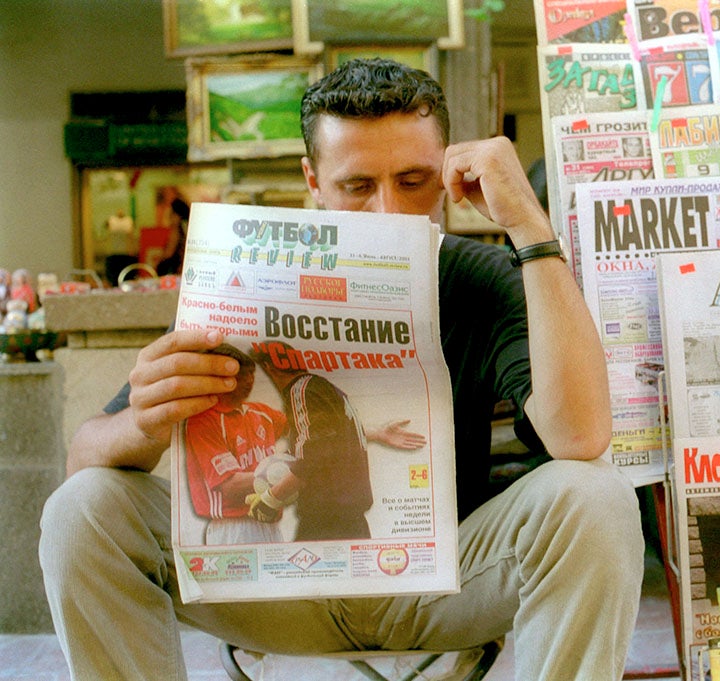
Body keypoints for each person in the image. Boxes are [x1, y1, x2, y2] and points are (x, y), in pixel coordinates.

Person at [39, 58, 643, 680]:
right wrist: (144, 421)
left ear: (447, 176)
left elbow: (580, 437)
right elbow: (82, 464)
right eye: (358, 187)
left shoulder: (482, 280)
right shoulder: (247, 280)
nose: (389, 212)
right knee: (81, 508)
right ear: (314, 181)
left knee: (596, 496)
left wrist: (529, 226)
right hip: (276, 583)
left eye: (414, 181)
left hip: (443, 582)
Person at [250, 340, 373, 541]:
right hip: (352, 521)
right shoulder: (327, 389)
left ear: (269, 368)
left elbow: (314, 455)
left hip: (327, 522)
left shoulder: (302, 390)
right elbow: (332, 443)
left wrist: (271, 498)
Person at [182, 344, 288, 545]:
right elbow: (230, 486)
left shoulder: (261, 413)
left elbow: (309, 429)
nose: (249, 381)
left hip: (271, 525)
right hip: (234, 529)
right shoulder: (203, 421)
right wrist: (289, 472)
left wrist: (356, 433)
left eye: (251, 374)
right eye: (241, 375)